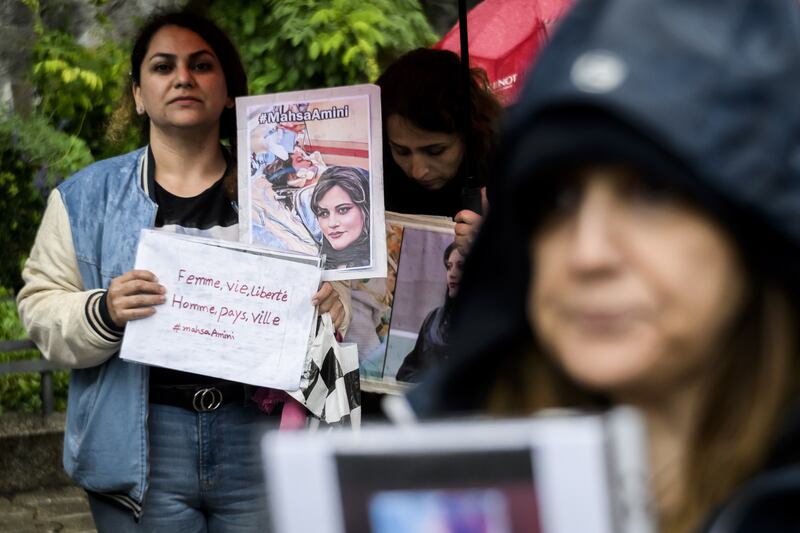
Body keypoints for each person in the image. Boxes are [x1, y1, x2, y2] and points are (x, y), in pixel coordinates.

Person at [407, 1, 800, 532]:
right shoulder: (431, 493)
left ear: (760, 231)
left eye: (652, 193)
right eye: (558, 200)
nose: (587, 254)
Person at [16, 11, 350, 531]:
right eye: (163, 66)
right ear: (138, 95)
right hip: (141, 444)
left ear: (230, 93)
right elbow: (39, 307)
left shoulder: (288, 195)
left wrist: (332, 305)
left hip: (260, 434)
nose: (183, 78)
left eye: (201, 65)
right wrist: (103, 310)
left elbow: (339, 299)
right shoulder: (84, 198)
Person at [376, 48, 502, 254]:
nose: (418, 171)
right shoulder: (373, 180)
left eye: (435, 151)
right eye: (401, 151)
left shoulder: (511, 167)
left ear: (469, 131)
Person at [396, 242, 464, 383]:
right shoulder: (434, 319)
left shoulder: (488, 325)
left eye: (461, 266)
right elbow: (407, 371)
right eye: (449, 267)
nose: (452, 274)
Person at [310, 165, 371, 269]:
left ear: (365, 209)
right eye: (324, 213)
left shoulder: (385, 260)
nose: (332, 223)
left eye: (343, 210)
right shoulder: (315, 263)